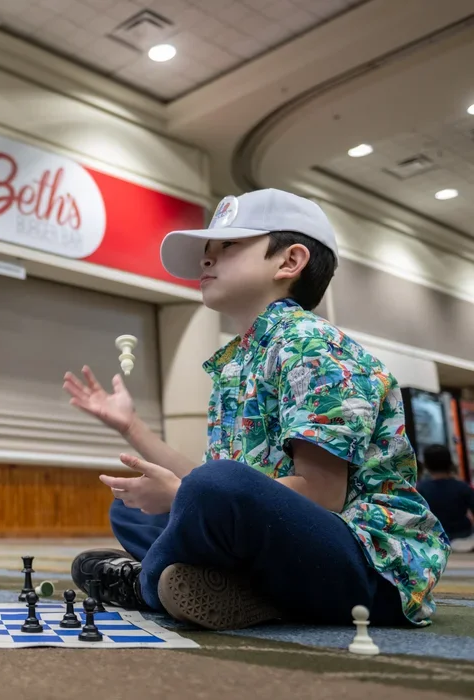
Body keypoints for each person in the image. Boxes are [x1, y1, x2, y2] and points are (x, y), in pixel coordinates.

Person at [63, 189, 448, 631]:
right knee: (131, 509)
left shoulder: (312, 346)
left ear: (289, 261)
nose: (207, 261)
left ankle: (144, 586)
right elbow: (219, 488)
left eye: (227, 246)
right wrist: (130, 425)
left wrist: (185, 497)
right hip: (291, 547)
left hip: (370, 569)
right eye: (208, 252)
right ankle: (251, 594)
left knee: (207, 489)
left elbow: (322, 493)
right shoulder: (242, 359)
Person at [417, 444, 474, 552]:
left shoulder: (420, 489)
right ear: (450, 463)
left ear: (426, 465)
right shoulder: (463, 487)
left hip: (433, 537)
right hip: (462, 537)